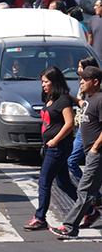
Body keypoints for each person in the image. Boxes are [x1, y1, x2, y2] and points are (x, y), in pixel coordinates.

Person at [50, 66, 102, 239]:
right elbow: (83, 105)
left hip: (97, 154)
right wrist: (68, 98)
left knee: (85, 192)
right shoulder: (89, 98)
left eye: (85, 79)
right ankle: (87, 216)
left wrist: (95, 148)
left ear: (95, 82)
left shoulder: (101, 100)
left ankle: (70, 227)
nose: (81, 82)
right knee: (88, 192)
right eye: (80, 78)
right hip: (92, 154)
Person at [24, 66, 78, 230]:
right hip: (51, 147)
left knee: (44, 181)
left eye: (46, 82)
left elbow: (69, 123)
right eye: (42, 82)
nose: (43, 85)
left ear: (55, 82)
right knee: (63, 183)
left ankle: (40, 218)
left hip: (59, 147)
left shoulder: (63, 100)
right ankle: (89, 209)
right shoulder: (51, 98)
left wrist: (55, 140)